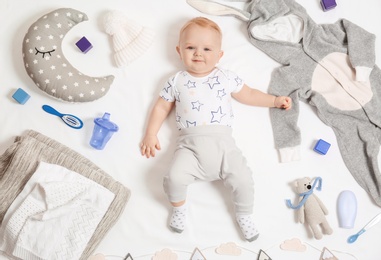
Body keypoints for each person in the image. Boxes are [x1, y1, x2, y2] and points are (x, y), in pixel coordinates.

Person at [140, 17, 292, 242]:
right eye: (190, 47)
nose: (198, 53)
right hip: (189, 148)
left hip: (224, 147)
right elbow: (161, 107)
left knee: (244, 179)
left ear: (219, 55)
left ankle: (244, 215)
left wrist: (274, 100)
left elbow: (249, 94)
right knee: (173, 177)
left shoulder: (225, 77)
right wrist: (151, 133)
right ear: (179, 50)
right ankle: (179, 208)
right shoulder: (176, 81)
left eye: (207, 49)